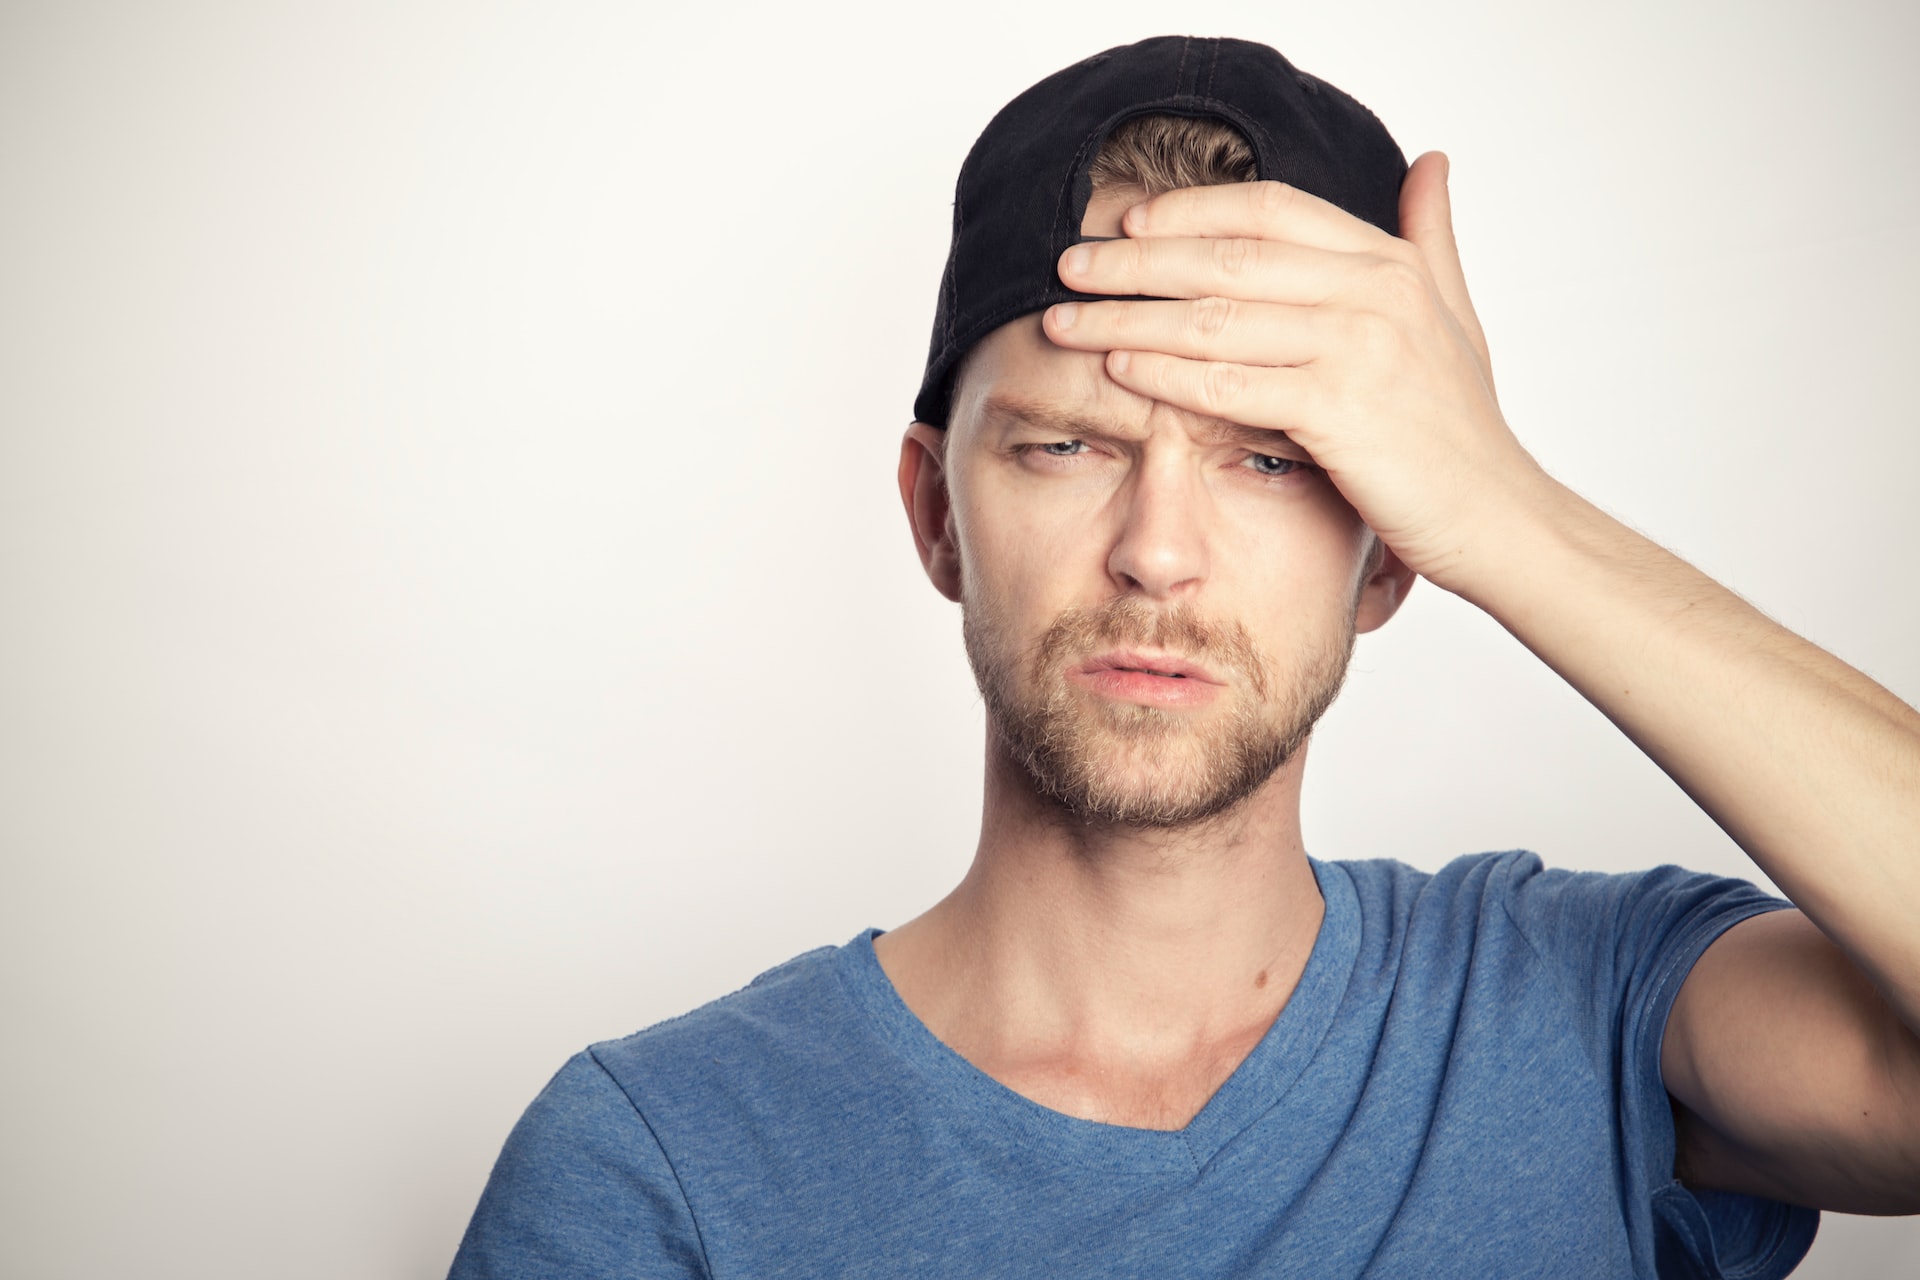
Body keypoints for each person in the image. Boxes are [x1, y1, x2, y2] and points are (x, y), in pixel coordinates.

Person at [448, 35, 1920, 1278]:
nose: (1157, 549)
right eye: (1067, 443)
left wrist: (1509, 511)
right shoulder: (657, 1168)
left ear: (1391, 552)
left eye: (1271, 462)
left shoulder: (1580, 1011)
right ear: (937, 514)